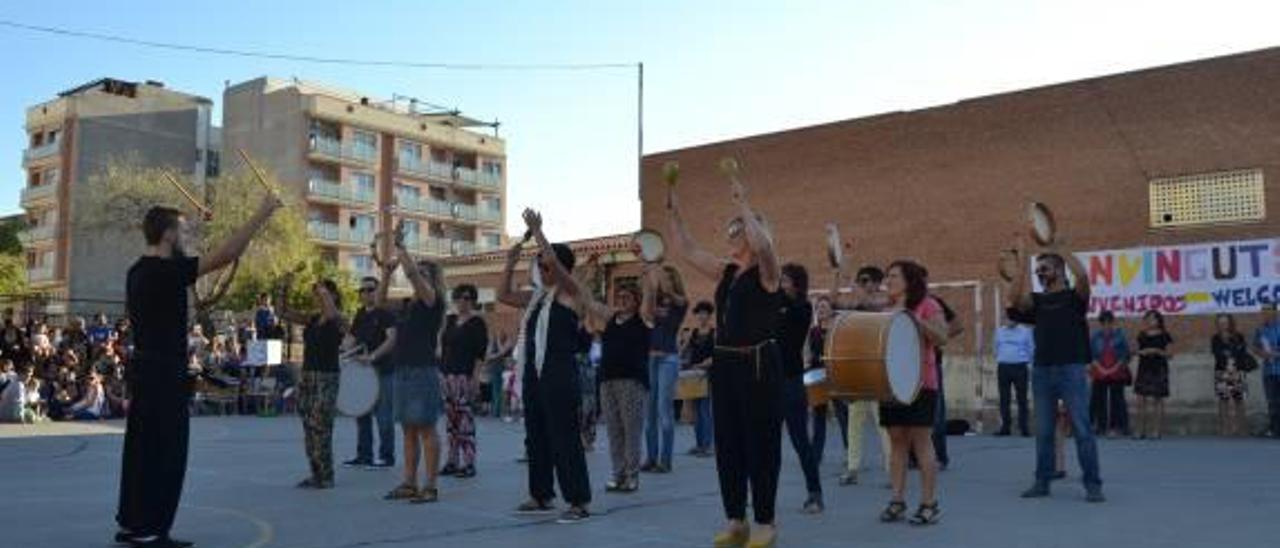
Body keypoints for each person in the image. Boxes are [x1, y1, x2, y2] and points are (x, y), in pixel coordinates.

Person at [116, 195, 281, 548]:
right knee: (167, 452)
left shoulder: (136, 271)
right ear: (168, 235)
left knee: (141, 449)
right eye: (183, 232)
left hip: (144, 370)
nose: (186, 239)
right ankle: (151, 528)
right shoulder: (165, 272)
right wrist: (262, 212)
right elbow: (226, 255)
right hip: (162, 373)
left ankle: (133, 522)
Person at [669, 172, 783, 548]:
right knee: (729, 444)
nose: (731, 236)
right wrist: (676, 213)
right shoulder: (727, 272)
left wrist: (742, 202)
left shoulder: (768, 273)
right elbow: (687, 250)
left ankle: (765, 521)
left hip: (759, 363)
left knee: (761, 444)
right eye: (733, 230)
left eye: (737, 231)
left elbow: (765, 247)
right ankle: (736, 519)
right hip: (726, 364)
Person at [498, 209, 593, 524]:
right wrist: (511, 261)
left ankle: (578, 501)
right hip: (534, 373)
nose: (542, 269)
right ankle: (541, 495)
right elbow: (502, 295)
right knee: (535, 435)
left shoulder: (571, 293)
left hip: (559, 373)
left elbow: (555, 263)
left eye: (545, 264)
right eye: (539, 265)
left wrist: (538, 231)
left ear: (561, 267)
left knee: (564, 436)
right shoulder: (537, 297)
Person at [1005, 237, 1105, 503]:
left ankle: (1092, 484)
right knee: (1044, 432)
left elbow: (1082, 276)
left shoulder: (1074, 298)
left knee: (1082, 429)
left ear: (1059, 271)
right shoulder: (1037, 302)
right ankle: (1042, 482)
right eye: (1038, 270)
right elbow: (1013, 300)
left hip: (1071, 369)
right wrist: (1025, 260)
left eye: (1044, 269)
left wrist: (1061, 249)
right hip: (1042, 371)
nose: (1040, 274)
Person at [876, 261, 949, 526]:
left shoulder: (928, 304)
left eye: (894, 275)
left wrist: (916, 321)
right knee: (896, 441)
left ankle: (929, 504)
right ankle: (897, 500)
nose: (888, 280)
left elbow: (942, 336)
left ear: (909, 280)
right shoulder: (885, 311)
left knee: (921, 442)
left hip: (921, 383)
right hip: (891, 385)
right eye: (887, 276)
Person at [379, 228, 448, 505]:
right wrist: (386, 272)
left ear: (433, 280)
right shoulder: (408, 305)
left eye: (425, 274)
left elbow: (414, 278)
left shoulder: (435, 302)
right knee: (408, 429)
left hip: (422, 370)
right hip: (403, 369)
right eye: (419, 273)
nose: (419, 277)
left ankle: (430, 485)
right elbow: (382, 300)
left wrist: (401, 248)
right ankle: (409, 482)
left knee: (426, 429)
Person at [582, 278, 654, 493]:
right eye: (619, 297)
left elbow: (650, 297)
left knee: (631, 430)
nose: (622, 300)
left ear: (636, 300)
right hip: (607, 380)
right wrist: (580, 277)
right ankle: (617, 474)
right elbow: (588, 301)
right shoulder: (611, 318)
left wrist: (649, 272)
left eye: (627, 297)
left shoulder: (643, 319)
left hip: (631, 381)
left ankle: (632, 477)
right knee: (614, 430)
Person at [829, 256, 893, 486]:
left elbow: (868, 303)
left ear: (877, 283)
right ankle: (853, 468)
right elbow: (833, 302)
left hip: (878, 369)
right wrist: (837, 275)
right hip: (858, 369)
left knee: (883, 424)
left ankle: (891, 470)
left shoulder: (885, 302)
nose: (863, 284)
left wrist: (852, 282)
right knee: (854, 422)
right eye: (861, 281)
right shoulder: (857, 303)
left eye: (867, 281)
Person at [278, 278, 345, 489]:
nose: (318, 297)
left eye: (323, 293)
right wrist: (283, 289)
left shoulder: (339, 319)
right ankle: (316, 473)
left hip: (327, 377)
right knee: (308, 425)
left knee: (321, 425)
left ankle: (326, 475)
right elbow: (283, 312)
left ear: (333, 295)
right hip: (308, 375)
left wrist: (322, 289)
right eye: (316, 294)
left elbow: (332, 313)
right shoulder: (312, 319)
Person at [777, 263, 824, 514]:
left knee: (800, 440)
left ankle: (815, 494)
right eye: (780, 280)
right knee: (764, 441)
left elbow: (791, 322)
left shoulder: (802, 307)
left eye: (785, 280)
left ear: (796, 284)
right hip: (768, 381)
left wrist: (778, 294)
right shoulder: (773, 304)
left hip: (791, 380)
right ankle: (763, 495)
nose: (780, 284)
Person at [343, 276, 398, 469]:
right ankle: (364, 455)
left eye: (370, 289)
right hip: (363, 372)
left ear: (377, 291)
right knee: (362, 413)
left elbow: (392, 339)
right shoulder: (360, 314)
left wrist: (373, 356)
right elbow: (351, 338)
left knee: (384, 415)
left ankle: (386, 457)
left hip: (383, 370)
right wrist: (344, 350)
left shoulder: (386, 313)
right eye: (363, 290)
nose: (366, 293)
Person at [439, 284, 489, 478]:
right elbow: (442, 347)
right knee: (450, 422)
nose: (463, 301)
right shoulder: (449, 320)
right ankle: (451, 461)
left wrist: (476, 379)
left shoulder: (477, 323)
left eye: (468, 298)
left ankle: (469, 463)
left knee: (465, 421)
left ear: (474, 301)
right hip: (446, 375)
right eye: (459, 297)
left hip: (464, 376)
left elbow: (480, 354)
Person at [641, 265, 688, 474]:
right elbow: (647, 316)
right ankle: (651, 458)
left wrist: (661, 280)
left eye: (668, 278)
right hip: (650, 359)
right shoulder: (656, 299)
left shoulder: (681, 302)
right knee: (649, 413)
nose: (663, 281)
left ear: (674, 280)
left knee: (663, 410)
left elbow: (677, 300)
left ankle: (665, 460)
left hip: (668, 359)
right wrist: (649, 288)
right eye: (663, 278)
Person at [1088, 311, 1131, 438]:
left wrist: (1113, 369)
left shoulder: (1120, 335)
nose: (1107, 325)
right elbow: (1091, 355)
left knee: (1117, 400)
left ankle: (1116, 427)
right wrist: (1101, 368)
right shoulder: (1095, 336)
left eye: (1109, 322)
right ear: (1100, 323)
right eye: (1104, 322)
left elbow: (1125, 355)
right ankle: (1100, 426)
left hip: (1117, 372)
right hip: (1099, 371)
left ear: (1113, 322)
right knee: (1098, 399)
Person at [1133, 310, 1173, 440]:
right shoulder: (1141, 335)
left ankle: (1156, 430)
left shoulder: (1165, 335)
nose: (1151, 322)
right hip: (1144, 368)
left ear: (1159, 321)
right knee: (1140, 400)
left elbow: (1170, 354)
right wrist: (1142, 352)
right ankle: (1140, 430)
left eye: (1154, 319)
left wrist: (1156, 350)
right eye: (1148, 319)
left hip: (1159, 368)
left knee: (1158, 400)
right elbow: (1134, 351)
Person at [1211, 313, 1251, 437]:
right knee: (1223, 400)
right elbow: (1217, 353)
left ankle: (1242, 429)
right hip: (1221, 371)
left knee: (1239, 400)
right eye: (1220, 322)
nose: (1223, 325)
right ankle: (1225, 429)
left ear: (1230, 323)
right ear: (1217, 324)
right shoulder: (1215, 338)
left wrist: (1234, 364)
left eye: (1225, 322)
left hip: (1238, 371)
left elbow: (1242, 352)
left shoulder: (1239, 336)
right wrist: (1228, 361)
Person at [994, 315, 1034, 437]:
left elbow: (1031, 349)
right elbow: (996, 348)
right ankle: (1005, 427)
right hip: (1004, 367)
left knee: (1022, 398)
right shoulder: (999, 331)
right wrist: (1001, 358)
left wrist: (1028, 363)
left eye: (1011, 318)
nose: (1008, 321)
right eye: (1006, 318)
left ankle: (1024, 427)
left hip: (1020, 366)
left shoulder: (1026, 331)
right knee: (1004, 398)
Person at [685, 301, 716, 457]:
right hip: (693, 374)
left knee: (705, 410)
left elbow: (717, 354)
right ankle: (699, 444)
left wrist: (706, 364)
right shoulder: (693, 333)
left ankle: (708, 446)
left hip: (708, 374)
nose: (702, 316)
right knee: (696, 411)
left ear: (710, 315)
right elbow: (686, 351)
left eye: (705, 313)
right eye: (699, 313)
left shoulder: (714, 333)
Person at [806, 296, 834, 460]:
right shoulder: (814, 331)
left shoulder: (836, 328)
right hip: (817, 374)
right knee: (819, 414)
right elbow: (811, 351)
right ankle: (816, 453)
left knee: (843, 413)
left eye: (824, 306)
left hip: (835, 373)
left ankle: (850, 453)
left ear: (831, 310)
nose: (821, 310)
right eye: (819, 308)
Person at [1253, 303, 1280, 438]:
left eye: (1268, 310)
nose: (1265, 313)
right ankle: (1275, 429)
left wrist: (1276, 354)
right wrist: (1262, 353)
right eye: (1264, 310)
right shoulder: (1260, 330)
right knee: (1272, 402)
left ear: (1276, 312)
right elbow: (1255, 347)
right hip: (1269, 371)